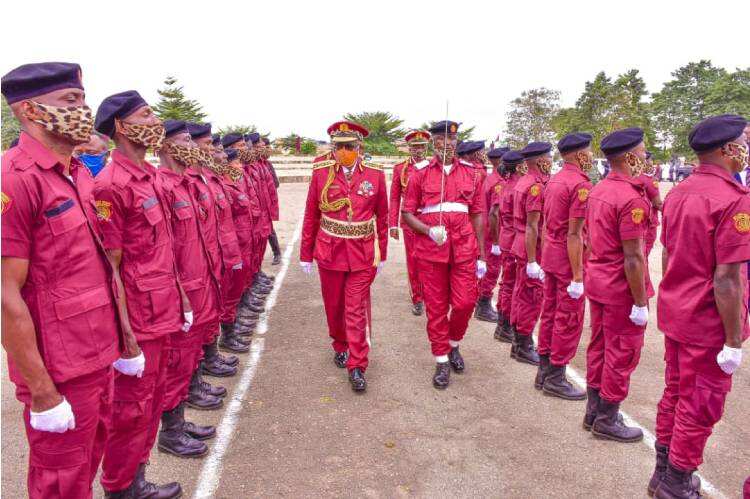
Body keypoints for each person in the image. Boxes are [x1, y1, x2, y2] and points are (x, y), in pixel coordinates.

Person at [1, 61, 127, 499]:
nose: (84, 110)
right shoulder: (14, 178)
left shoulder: (76, 173)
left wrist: (123, 342)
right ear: (31, 111)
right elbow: (4, 294)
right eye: (70, 101)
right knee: (61, 481)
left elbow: (99, 267)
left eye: (84, 100)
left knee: (86, 465)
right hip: (59, 367)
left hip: (96, 352)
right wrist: (41, 391)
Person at [651, 114, 749, 498]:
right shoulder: (733, 200)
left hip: (679, 310)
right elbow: (727, 279)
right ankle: (676, 481)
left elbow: (671, 253)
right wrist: (734, 340)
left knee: (675, 393)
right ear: (727, 149)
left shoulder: (680, 191)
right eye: (743, 142)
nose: (746, 149)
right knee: (700, 403)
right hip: (707, 319)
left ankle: (663, 471)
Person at [93, 90, 185, 497]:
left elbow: (163, 250)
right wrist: (125, 335)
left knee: (150, 403)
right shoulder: (110, 186)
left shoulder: (149, 176)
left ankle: (137, 479)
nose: (154, 121)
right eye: (146, 114)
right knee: (129, 409)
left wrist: (181, 299)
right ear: (121, 126)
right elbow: (110, 268)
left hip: (162, 310)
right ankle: (119, 487)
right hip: (139, 320)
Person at [299, 120, 388, 392]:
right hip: (330, 251)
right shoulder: (321, 173)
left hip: (362, 253)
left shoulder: (374, 174)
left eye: (350, 146)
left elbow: (383, 216)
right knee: (334, 305)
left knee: (355, 307)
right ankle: (339, 344)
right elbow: (311, 214)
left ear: (359, 147)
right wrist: (305, 254)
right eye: (339, 147)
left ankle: (358, 364)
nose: (344, 151)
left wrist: (382, 253)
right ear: (333, 148)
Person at [402, 121, 486, 389]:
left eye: (452, 139)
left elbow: (477, 214)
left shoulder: (473, 174)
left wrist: (482, 254)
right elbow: (407, 212)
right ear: (433, 143)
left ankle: (453, 344)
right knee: (436, 308)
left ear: (457, 142)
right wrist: (427, 231)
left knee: (464, 303)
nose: (447, 143)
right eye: (441, 139)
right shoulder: (419, 173)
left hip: (463, 249)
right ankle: (441, 360)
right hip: (431, 251)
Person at [155, 119, 221, 459]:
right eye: (184, 139)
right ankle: (171, 431)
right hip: (180, 289)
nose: (193, 146)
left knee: (189, 355)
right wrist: (179, 291)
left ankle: (180, 420)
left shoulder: (184, 184)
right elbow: (163, 250)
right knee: (176, 360)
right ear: (164, 145)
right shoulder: (162, 185)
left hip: (199, 281)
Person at [583, 127, 651, 444]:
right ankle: (607, 418)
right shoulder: (629, 198)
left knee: (599, 346)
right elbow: (634, 257)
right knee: (621, 352)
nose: (644, 157)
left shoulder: (600, 189)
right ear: (628, 157)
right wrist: (640, 302)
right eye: (641, 152)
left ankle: (594, 410)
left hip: (598, 280)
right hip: (619, 286)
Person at [536, 133, 592, 400]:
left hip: (551, 254)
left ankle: (544, 370)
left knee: (550, 312)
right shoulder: (580, 185)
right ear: (579, 155)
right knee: (567, 318)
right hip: (568, 259)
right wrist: (579, 275)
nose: (591, 157)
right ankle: (556, 376)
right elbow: (575, 234)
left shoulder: (555, 179)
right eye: (588, 152)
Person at [509, 142, 553, 366]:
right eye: (548, 157)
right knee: (531, 298)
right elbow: (533, 226)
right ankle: (524, 345)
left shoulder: (525, 181)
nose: (551, 161)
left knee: (521, 294)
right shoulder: (535, 186)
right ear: (539, 161)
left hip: (521, 244)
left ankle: (519, 343)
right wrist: (534, 260)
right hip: (530, 248)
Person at [389, 129, 431, 316]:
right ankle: (417, 298)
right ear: (409, 149)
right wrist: (392, 224)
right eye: (414, 147)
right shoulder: (401, 168)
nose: (418, 150)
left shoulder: (434, 167)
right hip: (409, 221)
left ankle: (431, 295)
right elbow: (394, 198)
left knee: (431, 260)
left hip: (430, 220)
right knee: (413, 260)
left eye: (421, 146)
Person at [492, 150, 524, 342]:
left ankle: (503, 324)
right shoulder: (516, 187)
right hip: (512, 239)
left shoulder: (506, 185)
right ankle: (505, 325)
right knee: (512, 285)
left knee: (507, 283)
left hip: (507, 238)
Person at [475, 146, 509, 322]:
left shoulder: (490, 178)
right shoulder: (499, 183)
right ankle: (483, 305)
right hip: (492, 234)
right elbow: (494, 213)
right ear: (499, 161)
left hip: (486, 231)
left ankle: (481, 302)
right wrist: (496, 242)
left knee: (486, 270)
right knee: (492, 271)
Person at [257, 136, 282, 265]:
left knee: (269, 230)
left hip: (265, 203)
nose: (266, 150)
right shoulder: (255, 165)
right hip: (257, 204)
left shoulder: (266, 164)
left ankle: (277, 253)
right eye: (262, 147)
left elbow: (275, 183)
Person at [637, 151, 663, 258]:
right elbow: (658, 203)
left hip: (635, 219)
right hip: (648, 222)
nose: (652, 163)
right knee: (644, 253)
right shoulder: (649, 180)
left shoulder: (632, 176)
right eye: (650, 160)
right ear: (645, 161)